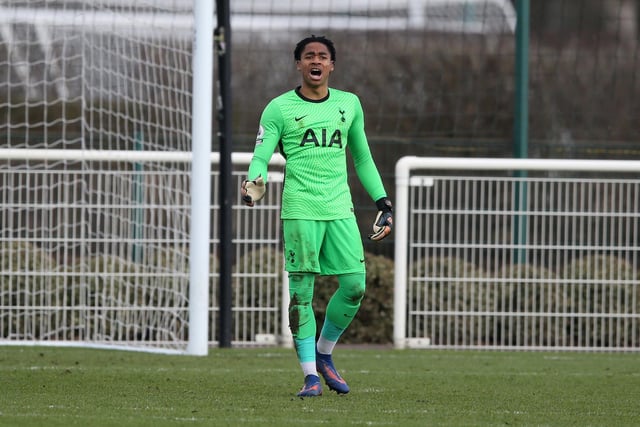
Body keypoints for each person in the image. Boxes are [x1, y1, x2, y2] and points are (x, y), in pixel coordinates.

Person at [241, 35, 393, 397]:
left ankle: (325, 354)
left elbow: (362, 158)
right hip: (301, 210)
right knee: (302, 295)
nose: (316, 61)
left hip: (339, 209)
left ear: (331, 65)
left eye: (323, 56)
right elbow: (261, 153)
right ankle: (310, 375)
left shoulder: (349, 104)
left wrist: (384, 202)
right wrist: (253, 179)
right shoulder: (278, 108)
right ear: (298, 64)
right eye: (309, 55)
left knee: (355, 285)